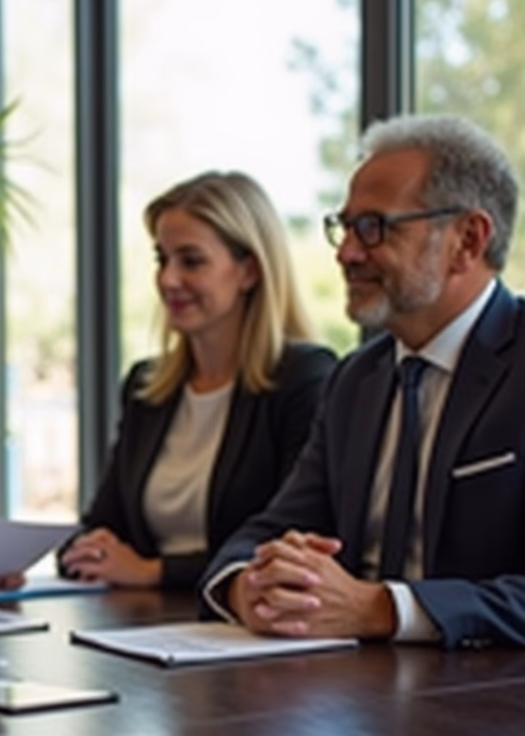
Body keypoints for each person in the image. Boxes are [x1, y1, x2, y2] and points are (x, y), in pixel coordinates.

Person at [201, 114, 525, 648]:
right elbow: (269, 531)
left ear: (467, 239)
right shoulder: (358, 378)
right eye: (345, 226)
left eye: (374, 227)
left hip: (488, 707)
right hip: (354, 694)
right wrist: (250, 588)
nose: (346, 252)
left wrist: (382, 608)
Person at [60, 171, 335, 589]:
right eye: (161, 259)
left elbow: (290, 541)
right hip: (145, 626)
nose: (168, 279)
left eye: (191, 260)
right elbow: (102, 524)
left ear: (249, 271)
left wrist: (155, 572)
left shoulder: (304, 379)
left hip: (247, 628)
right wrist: (88, 549)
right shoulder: (147, 386)